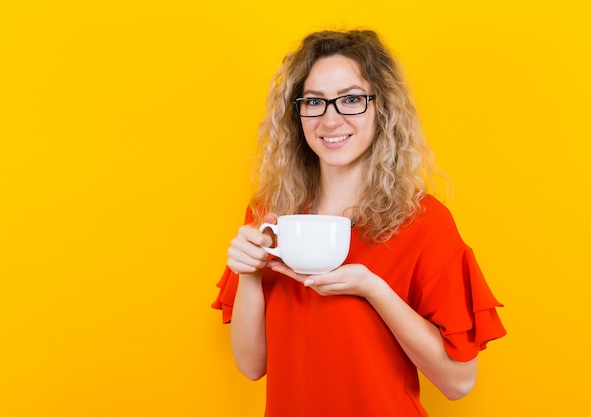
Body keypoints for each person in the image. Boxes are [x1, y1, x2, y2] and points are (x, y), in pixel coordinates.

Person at [212, 29, 506, 416]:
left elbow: (459, 382)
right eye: (314, 102)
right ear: (296, 112)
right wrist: (248, 272)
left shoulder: (424, 221)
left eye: (351, 99)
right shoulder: (270, 215)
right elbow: (251, 366)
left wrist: (374, 290)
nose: (330, 120)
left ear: (382, 108)